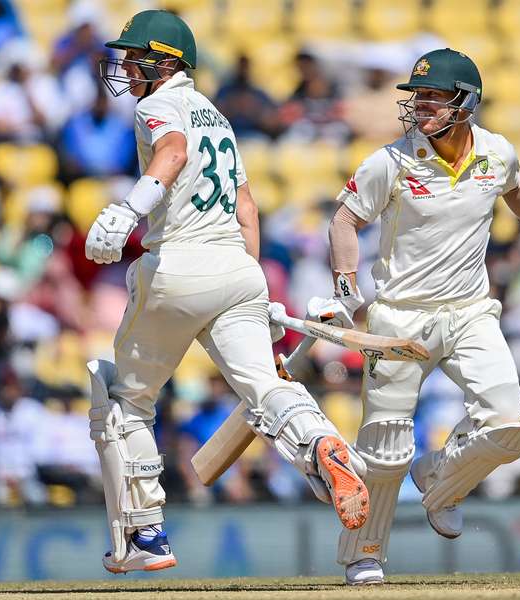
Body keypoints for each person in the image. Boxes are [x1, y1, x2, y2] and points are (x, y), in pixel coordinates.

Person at [85, 10, 370, 574]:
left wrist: (128, 211)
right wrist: (254, 286)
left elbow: (171, 154)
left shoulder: (156, 104)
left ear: (166, 62)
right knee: (264, 388)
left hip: (177, 266)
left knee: (125, 402)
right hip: (237, 270)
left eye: (136, 57)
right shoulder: (218, 116)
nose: (126, 68)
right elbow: (247, 208)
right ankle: (319, 444)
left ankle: (145, 537)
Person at [310, 48, 520, 585]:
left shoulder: (496, 153)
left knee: (510, 422)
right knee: (384, 446)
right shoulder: (389, 161)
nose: (421, 107)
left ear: (466, 103)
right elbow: (343, 222)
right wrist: (345, 290)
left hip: (469, 311)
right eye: (419, 97)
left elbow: (516, 187)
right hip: (398, 318)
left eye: (434, 97)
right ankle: (364, 553)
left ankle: (440, 483)